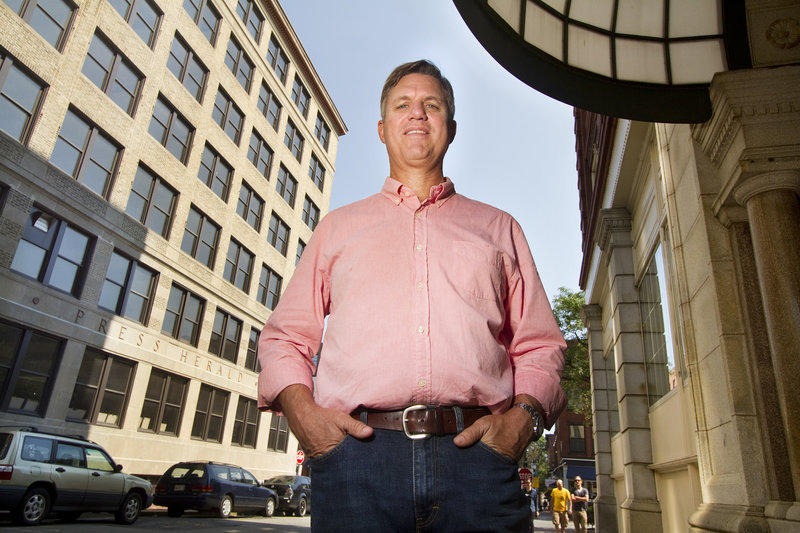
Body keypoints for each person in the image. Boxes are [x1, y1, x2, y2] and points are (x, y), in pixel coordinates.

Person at [258, 59, 567, 532]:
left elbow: (540, 344)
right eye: (403, 105)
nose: (417, 114)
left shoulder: (499, 228)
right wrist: (306, 420)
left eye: (431, 105)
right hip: (356, 463)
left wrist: (521, 422)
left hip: (479, 460)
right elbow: (285, 339)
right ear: (382, 129)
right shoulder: (337, 230)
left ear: (452, 126)